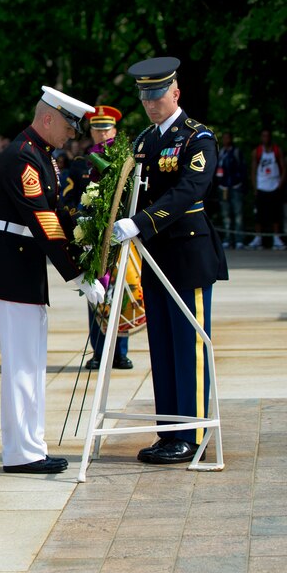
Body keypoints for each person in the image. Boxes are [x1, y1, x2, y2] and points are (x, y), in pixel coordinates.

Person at [0, 86, 105, 474]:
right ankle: (21, 452)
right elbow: (42, 221)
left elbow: (58, 212)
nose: (71, 134)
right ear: (47, 118)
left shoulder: (41, 155)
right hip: (9, 273)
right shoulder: (21, 158)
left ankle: (31, 446)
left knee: (30, 364)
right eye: (68, 125)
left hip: (21, 272)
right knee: (22, 365)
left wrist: (88, 245)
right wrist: (77, 274)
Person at [112, 56, 229, 464]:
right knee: (162, 346)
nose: (150, 102)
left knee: (189, 344)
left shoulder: (197, 137)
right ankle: (170, 431)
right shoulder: (144, 140)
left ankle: (193, 434)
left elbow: (190, 190)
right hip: (154, 255)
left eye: (157, 94)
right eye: (145, 95)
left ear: (175, 92)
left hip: (187, 253)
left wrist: (140, 222)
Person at [62, 105, 133, 372]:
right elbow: (68, 197)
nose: (101, 133)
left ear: (114, 130)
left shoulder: (125, 159)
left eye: (106, 128)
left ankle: (121, 351)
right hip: (92, 235)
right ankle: (99, 351)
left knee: (120, 292)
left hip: (120, 235)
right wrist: (79, 219)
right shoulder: (81, 162)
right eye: (96, 128)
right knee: (96, 292)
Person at [249, 128, 285, 250]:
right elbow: (253, 170)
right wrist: (255, 187)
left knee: (275, 214)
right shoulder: (257, 152)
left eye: (267, 136)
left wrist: (280, 184)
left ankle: (276, 238)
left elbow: (284, 168)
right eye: (263, 136)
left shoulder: (277, 150)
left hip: (274, 185)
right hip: (261, 185)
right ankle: (258, 238)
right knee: (259, 215)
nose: (266, 138)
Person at [215, 132, 245, 249]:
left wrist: (241, 184)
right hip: (223, 187)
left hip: (235, 186)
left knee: (238, 215)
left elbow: (242, 169)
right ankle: (227, 238)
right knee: (225, 215)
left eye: (228, 138)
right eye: (224, 138)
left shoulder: (236, 152)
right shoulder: (221, 152)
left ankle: (239, 240)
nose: (226, 140)